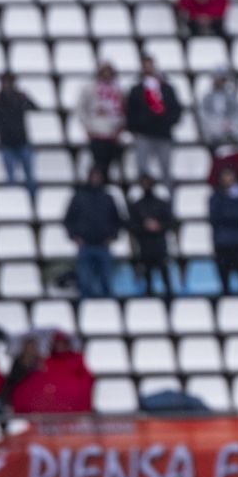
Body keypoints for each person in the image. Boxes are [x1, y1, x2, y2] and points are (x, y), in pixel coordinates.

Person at [65, 167, 126, 300]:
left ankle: (108, 311)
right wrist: (74, 236)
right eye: (93, 176)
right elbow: (69, 219)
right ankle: (87, 312)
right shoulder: (79, 197)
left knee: (106, 282)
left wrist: (113, 236)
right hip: (85, 245)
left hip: (103, 245)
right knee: (85, 282)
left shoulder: (108, 198)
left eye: (98, 176)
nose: (95, 179)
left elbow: (118, 220)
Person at [125, 58, 184, 188]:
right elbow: (130, 111)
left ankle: (167, 202)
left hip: (163, 134)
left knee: (166, 170)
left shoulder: (167, 89)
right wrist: (134, 128)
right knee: (142, 169)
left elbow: (176, 110)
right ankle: (144, 197)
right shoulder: (136, 90)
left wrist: (167, 122)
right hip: (144, 134)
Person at [0, 74, 40, 200]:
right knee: (10, 178)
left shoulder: (19, 97)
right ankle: (14, 201)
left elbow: (35, 108)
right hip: (6, 143)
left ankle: (33, 202)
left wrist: (27, 99)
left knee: (30, 176)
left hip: (22, 141)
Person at [76, 61, 127, 183]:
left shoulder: (119, 89)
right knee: (98, 164)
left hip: (113, 134)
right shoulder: (90, 88)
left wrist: (121, 126)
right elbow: (81, 108)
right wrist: (87, 126)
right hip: (96, 132)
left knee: (110, 166)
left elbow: (124, 110)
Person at [128, 174, 178, 297]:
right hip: (144, 244)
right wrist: (144, 227)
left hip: (160, 243)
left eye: (148, 182)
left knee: (164, 271)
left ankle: (169, 295)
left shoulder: (161, 204)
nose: (146, 185)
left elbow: (171, 222)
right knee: (147, 272)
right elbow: (132, 225)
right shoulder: (137, 205)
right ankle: (148, 295)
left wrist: (159, 226)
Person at [209, 167, 238, 297]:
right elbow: (215, 217)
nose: (227, 179)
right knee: (224, 280)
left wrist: (228, 213)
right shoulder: (216, 196)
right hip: (222, 243)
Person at [196, 71, 238, 149]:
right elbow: (204, 116)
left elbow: (236, 114)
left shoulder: (231, 96)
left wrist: (230, 125)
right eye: (219, 79)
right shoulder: (207, 97)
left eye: (223, 80)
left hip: (230, 131)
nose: (221, 82)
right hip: (213, 133)